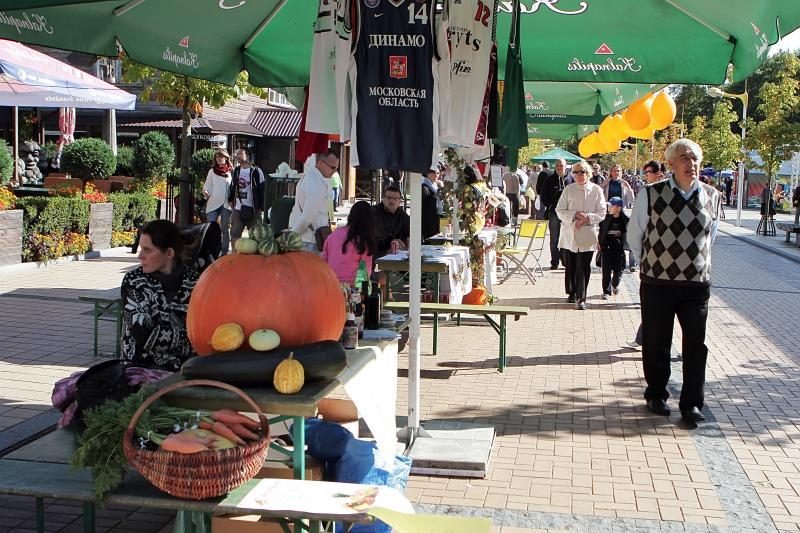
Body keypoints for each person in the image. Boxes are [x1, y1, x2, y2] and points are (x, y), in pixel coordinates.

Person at [627, 139, 722, 424]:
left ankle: (692, 403)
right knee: (656, 341)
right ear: (671, 163)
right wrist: (651, 263)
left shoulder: (712, 195)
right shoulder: (651, 193)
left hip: (696, 284)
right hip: (658, 282)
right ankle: (656, 394)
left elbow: (710, 235)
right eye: (684, 157)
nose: (690, 163)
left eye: (694, 158)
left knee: (696, 344)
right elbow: (636, 235)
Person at [121, 220, 199, 372]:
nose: (140, 256)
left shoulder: (196, 282)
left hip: (186, 373)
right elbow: (143, 335)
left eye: (147, 250)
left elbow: (204, 332)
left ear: (169, 253)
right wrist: (190, 338)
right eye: (140, 249)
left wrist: (195, 338)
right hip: (140, 372)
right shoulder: (134, 281)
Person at [555, 160, 606, 310]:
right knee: (570, 264)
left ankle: (581, 297)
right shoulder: (569, 189)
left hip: (587, 233)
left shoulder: (596, 190)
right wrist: (574, 215)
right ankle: (571, 291)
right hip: (570, 233)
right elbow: (560, 210)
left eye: (582, 172)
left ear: (588, 173)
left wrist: (587, 217)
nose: (579, 175)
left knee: (583, 266)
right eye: (576, 172)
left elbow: (602, 212)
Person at [629, 160, 669, 348]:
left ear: (660, 173)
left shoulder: (667, 194)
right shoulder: (647, 193)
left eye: (650, 172)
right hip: (652, 262)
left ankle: (646, 340)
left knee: (660, 308)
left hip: (675, 266)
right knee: (654, 308)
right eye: (645, 172)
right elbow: (635, 231)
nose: (647, 175)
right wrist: (642, 260)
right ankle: (643, 339)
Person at [289, 150, 338, 252]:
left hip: (311, 236)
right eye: (332, 167)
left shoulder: (317, 179)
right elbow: (308, 217)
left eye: (336, 168)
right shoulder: (315, 183)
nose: (335, 171)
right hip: (309, 239)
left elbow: (328, 208)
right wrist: (291, 236)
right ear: (320, 163)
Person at [322, 201, 377, 284]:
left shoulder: (335, 234)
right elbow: (364, 275)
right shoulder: (364, 242)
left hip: (330, 283)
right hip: (351, 288)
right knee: (383, 282)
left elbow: (324, 260)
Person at [228, 147, 266, 250]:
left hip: (253, 209)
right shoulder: (236, 170)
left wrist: (260, 207)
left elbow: (262, 190)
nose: (237, 156)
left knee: (256, 237)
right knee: (235, 234)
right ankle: (234, 257)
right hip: (238, 208)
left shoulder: (256, 171)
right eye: (237, 153)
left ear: (247, 155)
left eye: (240, 153)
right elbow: (233, 186)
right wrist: (230, 199)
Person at [539, 158, 569, 269]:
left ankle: (565, 260)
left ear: (565, 166)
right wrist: (550, 206)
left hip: (567, 214)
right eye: (557, 165)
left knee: (566, 237)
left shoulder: (570, 179)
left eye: (561, 165)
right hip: (554, 213)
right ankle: (554, 261)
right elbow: (543, 196)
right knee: (554, 238)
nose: (559, 167)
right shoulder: (549, 180)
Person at [202, 149, 233, 256]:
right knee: (211, 228)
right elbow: (207, 185)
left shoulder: (231, 171)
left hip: (226, 203)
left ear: (226, 158)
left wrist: (233, 200)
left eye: (221, 157)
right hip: (214, 202)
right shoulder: (212, 171)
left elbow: (234, 188)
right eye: (217, 157)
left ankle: (224, 252)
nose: (219, 159)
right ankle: (211, 250)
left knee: (225, 228)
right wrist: (206, 191)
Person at [598, 197, 629, 299]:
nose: (609, 207)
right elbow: (601, 232)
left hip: (619, 248)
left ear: (619, 208)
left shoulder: (625, 220)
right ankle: (606, 291)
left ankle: (615, 285)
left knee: (618, 269)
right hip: (606, 247)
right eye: (609, 205)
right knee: (606, 270)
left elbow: (628, 233)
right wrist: (599, 243)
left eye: (612, 205)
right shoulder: (605, 219)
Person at [373, 185, 410, 257]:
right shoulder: (374, 213)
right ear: (383, 199)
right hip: (376, 253)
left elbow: (411, 231)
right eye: (389, 198)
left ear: (400, 201)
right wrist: (392, 241)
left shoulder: (402, 215)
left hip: (397, 254)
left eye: (395, 199)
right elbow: (376, 235)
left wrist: (409, 240)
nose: (392, 201)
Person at [421, 169, 441, 241]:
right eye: (433, 172)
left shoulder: (435, 187)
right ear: (427, 173)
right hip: (427, 223)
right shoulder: (424, 188)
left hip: (434, 221)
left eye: (438, 173)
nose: (436, 175)